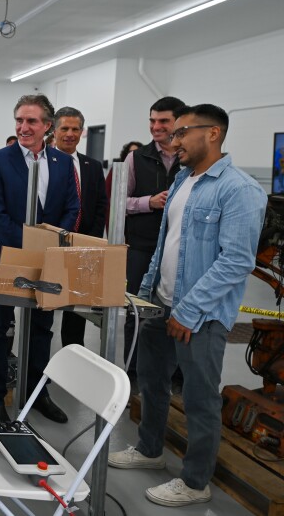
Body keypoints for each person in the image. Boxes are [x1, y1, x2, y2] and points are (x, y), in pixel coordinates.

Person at [108, 104, 265, 508]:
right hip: (161, 303)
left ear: (212, 133)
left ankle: (195, 482)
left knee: (199, 398)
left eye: (181, 133)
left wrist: (189, 311)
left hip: (200, 316)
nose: (172, 141)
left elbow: (236, 261)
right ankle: (149, 450)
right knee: (152, 382)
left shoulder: (239, 189)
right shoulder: (181, 180)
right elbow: (164, 245)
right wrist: (146, 296)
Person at [0, 94, 80, 424]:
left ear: (46, 126)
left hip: (48, 259)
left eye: (31, 121)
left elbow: (71, 208)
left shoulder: (63, 163)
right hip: (6, 256)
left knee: (42, 327)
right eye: (19, 121)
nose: (24, 127)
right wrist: (32, 244)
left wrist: (51, 244)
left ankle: (38, 392)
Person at [122, 96, 185, 391]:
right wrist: (149, 202)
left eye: (163, 121)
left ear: (179, 123)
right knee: (136, 311)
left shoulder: (190, 159)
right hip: (142, 247)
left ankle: (175, 373)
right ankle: (131, 372)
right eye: (152, 121)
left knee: (178, 311)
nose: (156, 127)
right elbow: (120, 202)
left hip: (180, 250)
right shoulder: (137, 158)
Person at [53, 107, 108, 347]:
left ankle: (72, 352)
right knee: (44, 306)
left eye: (75, 129)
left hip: (83, 245)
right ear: (53, 130)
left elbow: (100, 205)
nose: (69, 133)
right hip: (50, 244)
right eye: (64, 128)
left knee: (77, 308)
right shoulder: (42, 162)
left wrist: (90, 240)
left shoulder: (92, 166)